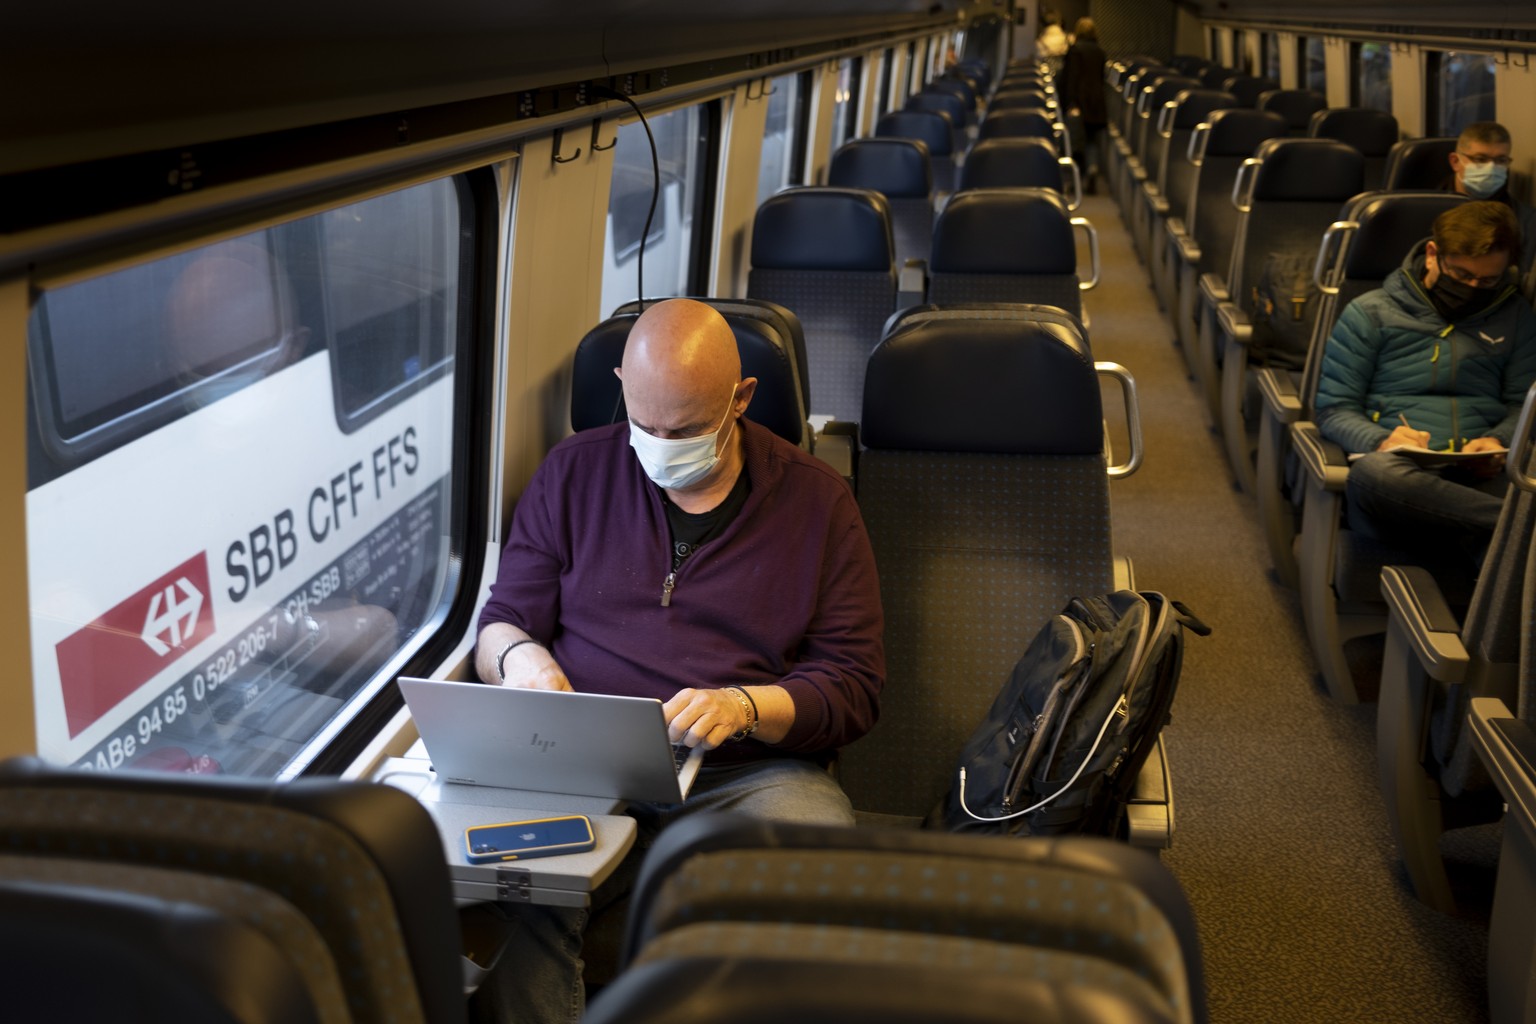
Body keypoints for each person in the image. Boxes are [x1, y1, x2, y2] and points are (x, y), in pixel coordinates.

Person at [470, 298, 885, 1023]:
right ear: (621, 386)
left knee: (814, 868)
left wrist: (745, 706)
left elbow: (853, 686)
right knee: (514, 889)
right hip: (586, 762)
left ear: (742, 398)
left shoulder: (820, 505)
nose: (660, 447)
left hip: (747, 770)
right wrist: (521, 664)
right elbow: (502, 624)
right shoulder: (573, 473)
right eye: (644, 426)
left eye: (687, 431)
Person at [1314, 201, 1536, 569]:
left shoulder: (1514, 317)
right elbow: (1333, 409)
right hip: (1401, 480)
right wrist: (1381, 440)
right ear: (1433, 254)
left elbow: (1522, 406)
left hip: (1480, 472)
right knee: (1375, 473)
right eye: (1461, 275)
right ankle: (1517, 524)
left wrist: (1499, 440)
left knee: (1521, 491)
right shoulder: (1371, 312)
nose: (1472, 288)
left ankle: (1495, 582)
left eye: (1487, 281)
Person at [1441, 121, 1536, 282]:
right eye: (1480, 159)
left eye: (1500, 160)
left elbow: (1521, 280)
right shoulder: (1425, 209)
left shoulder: (1526, 220)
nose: (1491, 168)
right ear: (1455, 161)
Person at [1060, 17, 1107, 194]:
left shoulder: (1075, 51)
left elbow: (1071, 79)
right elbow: (1101, 78)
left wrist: (1070, 102)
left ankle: (1077, 181)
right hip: (1096, 103)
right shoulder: (1100, 52)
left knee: (1076, 144)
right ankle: (1093, 168)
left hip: (1079, 102)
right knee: (1091, 140)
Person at [1034, 9, 1068, 75]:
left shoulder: (1040, 41)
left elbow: (1038, 59)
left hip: (1046, 75)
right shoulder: (1067, 39)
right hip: (1063, 75)